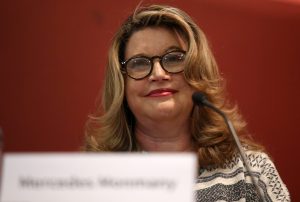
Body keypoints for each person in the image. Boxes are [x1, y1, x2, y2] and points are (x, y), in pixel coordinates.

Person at [84, 4, 290, 201]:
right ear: (122, 83)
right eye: (139, 63)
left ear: (198, 73)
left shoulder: (250, 172)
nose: (158, 74)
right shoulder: (93, 179)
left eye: (174, 58)